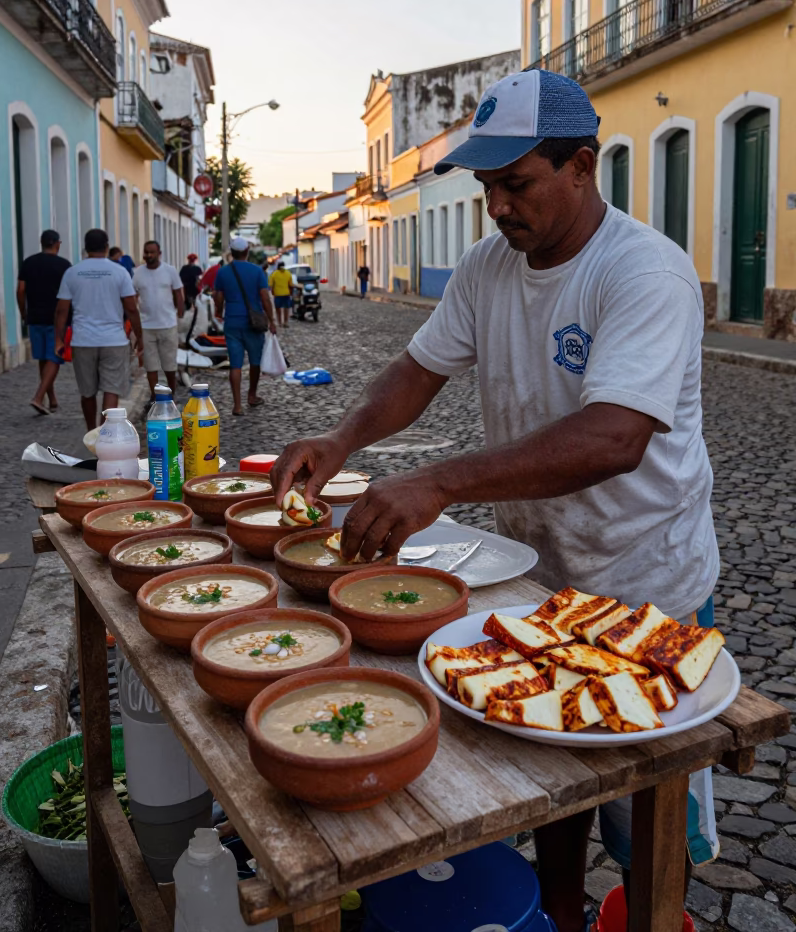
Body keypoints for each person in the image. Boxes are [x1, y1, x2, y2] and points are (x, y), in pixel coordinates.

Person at [271, 70, 720, 932]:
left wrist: (439, 480)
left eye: (517, 185)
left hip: (648, 586)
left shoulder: (644, 273)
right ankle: (553, 912)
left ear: (582, 166)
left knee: (647, 805)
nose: (499, 210)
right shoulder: (487, 268)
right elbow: (416, 372)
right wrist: (341, 442)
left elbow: (613, 437)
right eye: (487, 190)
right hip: (544, 581)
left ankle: (653, 910)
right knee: (553, 782)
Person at [54, 228, 144, 432]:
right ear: (106, 246)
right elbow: (131, 308)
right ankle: (105, 436)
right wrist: (139, 335)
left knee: (87, 392)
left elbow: (61, 310)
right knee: (111, 390)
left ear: (85, 248)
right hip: (114, 340)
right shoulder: (120, 271)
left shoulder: (72, 272)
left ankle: (90, 431)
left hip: (83, 340)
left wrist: (59, 340)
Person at [213, 237, 276, 415]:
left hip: (232, 322)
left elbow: (218, 297)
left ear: (231, 253)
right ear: (247, 251)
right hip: (253, 323)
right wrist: (271, 320)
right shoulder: (257, 272)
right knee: (255, 361)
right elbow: (265, 297)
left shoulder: (223, 272)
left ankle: (237, 405)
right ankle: (252, 395)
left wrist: (219, 310)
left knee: (235, 364)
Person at [16, 229, 71, 415]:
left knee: (43, 358)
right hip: (57, 320)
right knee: (55, 357)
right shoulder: (64, 265)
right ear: (57, 244)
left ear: (42, 243)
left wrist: (23, 312)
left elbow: (21, 290)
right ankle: (39, 397)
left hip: (35, 317)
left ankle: (52, 399)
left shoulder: (28, 263)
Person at [132, 240, 185, 400]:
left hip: (168, 324)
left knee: (169, 364)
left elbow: (178, 293)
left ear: (159, 253)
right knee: (150, 365)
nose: (148, 255)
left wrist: (180, 313)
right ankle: (155, 397)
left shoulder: (170, 271)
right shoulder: (137, 273)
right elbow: (133, 297)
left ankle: (171, 393)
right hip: (146, 326)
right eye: (146, 252)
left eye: (152, 252)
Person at [268, 261, 293, 329]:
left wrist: (272, 292)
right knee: (286, 308)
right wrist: (291, 292)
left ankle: (279, 322)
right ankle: (285, 322)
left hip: (277, 294)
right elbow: (290, 284)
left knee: (278, 309)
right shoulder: (288, 273)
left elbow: (271, 285)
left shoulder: (274, 274)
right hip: (286, 293)